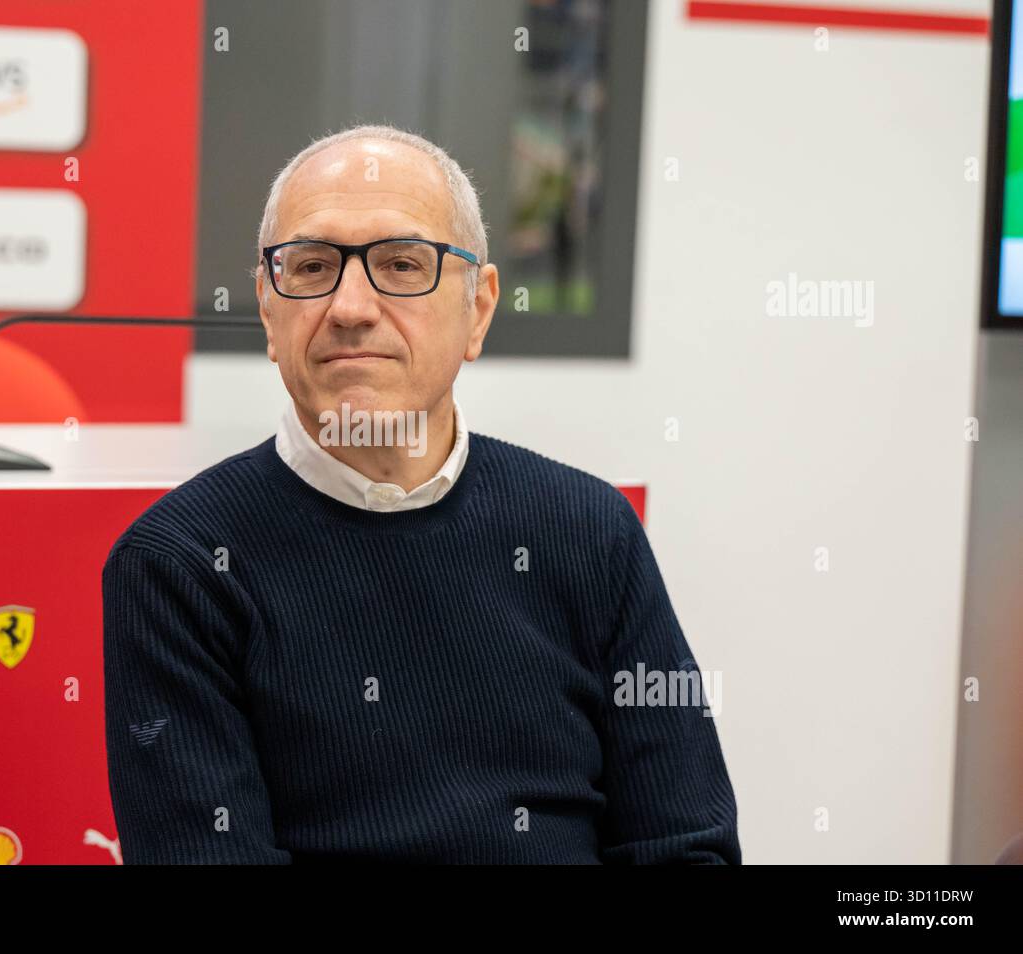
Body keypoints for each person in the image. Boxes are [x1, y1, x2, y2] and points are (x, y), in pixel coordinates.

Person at [102, 124, 740, 864]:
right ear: (269, 313)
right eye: (310, 266)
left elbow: (686, 844)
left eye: (402, 264)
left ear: (479, 309)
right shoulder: (179, 568)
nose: (350, 307)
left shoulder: (591, 531)